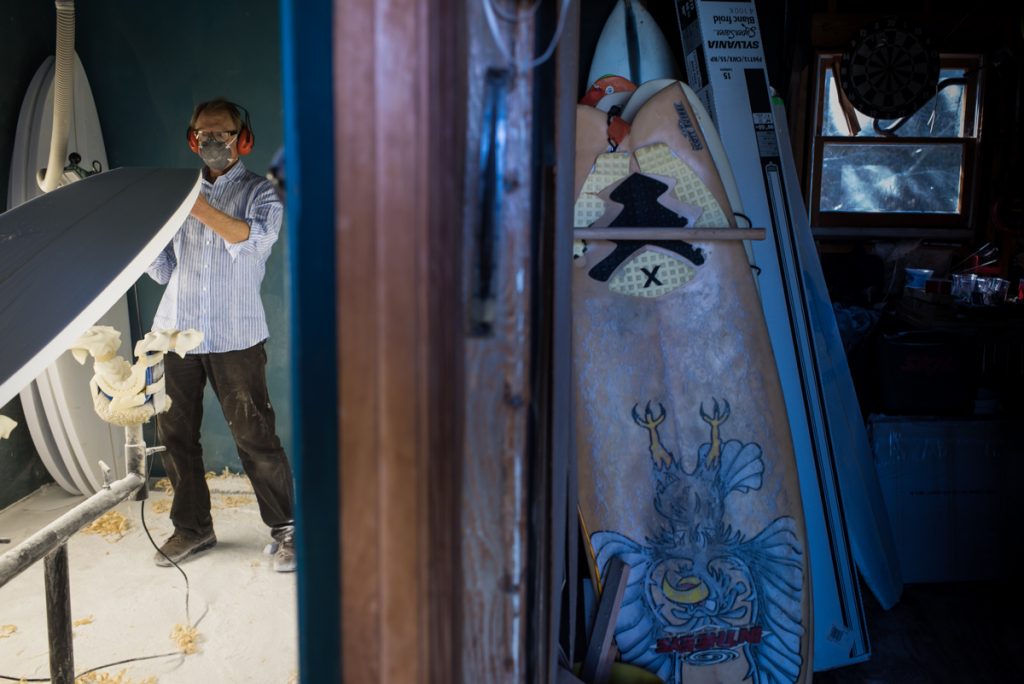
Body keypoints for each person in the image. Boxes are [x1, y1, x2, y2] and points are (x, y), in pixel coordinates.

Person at [146, 98, 295, 572]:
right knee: (175, 436)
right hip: (176, 333)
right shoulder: (175, 196)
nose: (213, 142)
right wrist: (144, 231)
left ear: (242, 138)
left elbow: (245, 239)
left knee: (255, 436)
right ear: (193, 138)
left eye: (222, 133)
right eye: (204, 134)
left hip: (236, 335)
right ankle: (193, 529)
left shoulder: (262, 194)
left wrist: (190, 204)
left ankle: (290, 530)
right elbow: (163, 270)